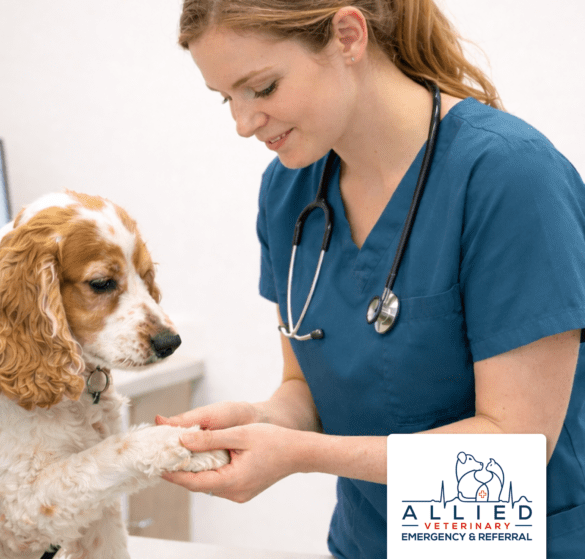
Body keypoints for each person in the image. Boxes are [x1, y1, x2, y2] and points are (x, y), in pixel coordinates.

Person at [158, 0, 585, 557]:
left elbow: (513, 445)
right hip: (368, 541)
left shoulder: (510, 177)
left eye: (261, 89)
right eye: (226, 99)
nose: (243, 124)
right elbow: (304, 388)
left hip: (511, 543)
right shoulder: (290, 191)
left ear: (348, 36)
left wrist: (298, 454)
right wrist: (260, 422)